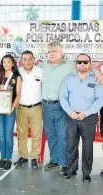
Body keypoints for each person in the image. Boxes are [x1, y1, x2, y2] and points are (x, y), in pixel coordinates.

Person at [40, 41, 103, 174]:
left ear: (61, 52)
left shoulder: (70, 65)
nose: (51, 54)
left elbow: (86, 66)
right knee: (51, 135)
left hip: (62, 107)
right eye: (49, 52)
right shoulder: (43, 65)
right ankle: (54, 160)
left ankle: (64, 163)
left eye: (54, 51)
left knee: (63, 137)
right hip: (46, 105)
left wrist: (98, 72)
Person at [59, 53, 103, 182]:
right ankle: (72, 169)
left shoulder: (96, 79)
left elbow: (100, 99)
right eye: (79, 62)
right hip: (71, 116)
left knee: (88, 146)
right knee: (71, 145)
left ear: (90, 64)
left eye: (85, 62)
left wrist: (86, 112)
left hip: (88, 117)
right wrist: (70, 112)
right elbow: (62, 96)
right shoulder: (69, 78)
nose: (82, 64)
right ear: (76, 64)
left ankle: (86, 172)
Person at [14, 50, 43, 170]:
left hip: (36, 107)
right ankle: (23, 156)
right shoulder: (17, 72)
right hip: (21, 108)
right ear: (21, 61)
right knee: (21, 134)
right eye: (25, 59)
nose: (27, 61)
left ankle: (35, 157)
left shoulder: (40, 71)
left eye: (30, 58)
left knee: (37, 134)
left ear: (34, 59)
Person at [0, 54, 22, 171]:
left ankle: (9, 158)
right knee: (1, 134)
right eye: (4, 62)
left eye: (8, 62)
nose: (6, 64)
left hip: (10, 110)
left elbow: (18, 94)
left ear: (13, 63)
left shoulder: (17, 77)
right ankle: (3, 158)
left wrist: (13, 107)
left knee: (8, 134)